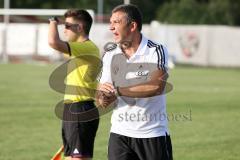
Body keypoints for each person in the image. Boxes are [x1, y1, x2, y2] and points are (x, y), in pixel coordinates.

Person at [98, 4, 173, 160]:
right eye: (111, 22)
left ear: (132, 26)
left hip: (152, 134)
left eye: (116, 22)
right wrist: (103, 97)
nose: (111, 27)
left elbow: (157, 86)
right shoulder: (110, 53)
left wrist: (118, 91)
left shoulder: (156, 50)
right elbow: (102, 96)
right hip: (119, 134)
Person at [48, 9, 100, 160]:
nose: (64, 30)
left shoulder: (87, 48)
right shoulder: (78, 49)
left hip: (80, 110)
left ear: (80, 28)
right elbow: (58, 45)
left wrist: (52, 21)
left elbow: (53, 42)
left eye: (68, 26)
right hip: (73, 109)